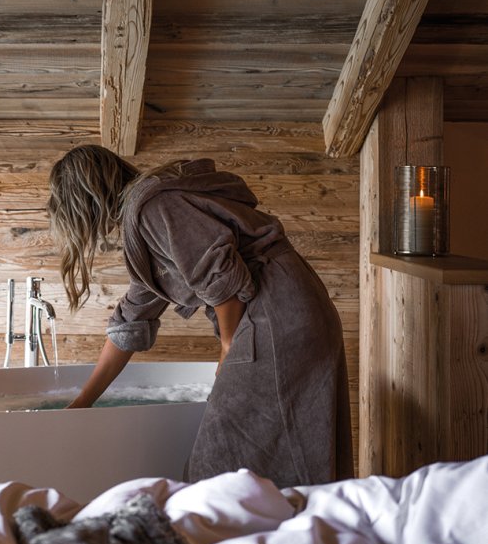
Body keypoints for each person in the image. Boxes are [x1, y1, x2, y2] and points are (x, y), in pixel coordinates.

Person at [46, 145, 353, 488]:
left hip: (278, 315)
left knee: (214, 468)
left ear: (86, 196)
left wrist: (226, 348)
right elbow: (132, 319)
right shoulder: (150, 214)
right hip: (293, 307)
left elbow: (219, 275)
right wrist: (81, 404)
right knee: (290, 450)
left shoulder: (151, 206)